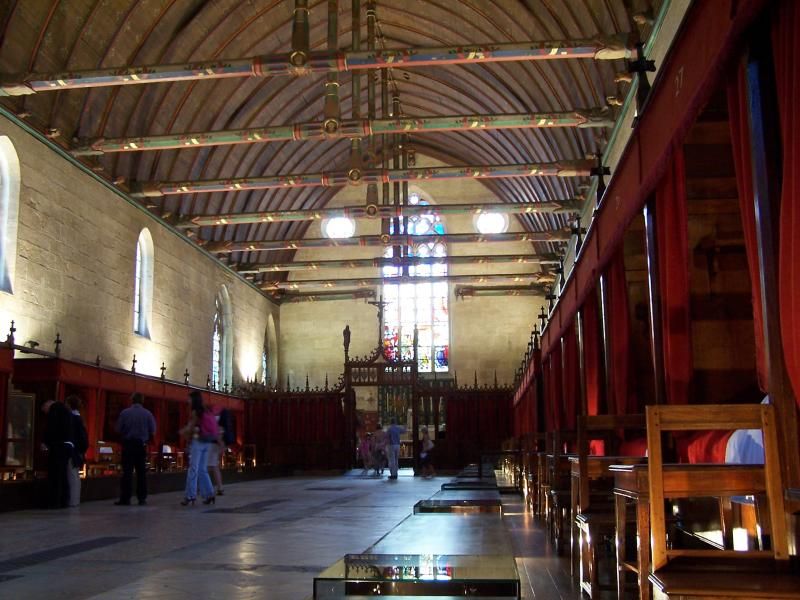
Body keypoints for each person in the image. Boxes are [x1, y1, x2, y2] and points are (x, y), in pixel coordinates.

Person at [115, 392, 156, 506]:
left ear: (132, 400)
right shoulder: (148, 414)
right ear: (142, 401)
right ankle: (141, 498)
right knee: (141, 472)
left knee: (127, 472)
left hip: (128, 445)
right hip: (140, 445)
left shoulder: (125, 413)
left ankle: (125, 498)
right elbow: (152, 430)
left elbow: (118, 428)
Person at [180, 391, 217, 506]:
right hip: (207, 442)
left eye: (189, 399)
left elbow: (191, 428)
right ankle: (210, 494)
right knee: (202, 469)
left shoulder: (196, 412)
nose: (188, 401)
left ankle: (190, 496)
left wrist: (182, 432)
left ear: (194, 400)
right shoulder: (206, 410)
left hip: (198, 442)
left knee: (193, 469)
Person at [41, 399, 73, 508]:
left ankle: (53, 501)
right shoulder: (66, 411)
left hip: (57, 447)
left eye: (44, 410)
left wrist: (45, 442)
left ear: (47, 405)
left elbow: (51, 429)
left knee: (55, 475)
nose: (45, 412)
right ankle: (64, 500)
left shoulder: (54, 411)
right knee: (63, 474)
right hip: (66, 447)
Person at [65, 395, 88, 507]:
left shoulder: (72, 419)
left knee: (72, 475)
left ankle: (73, 500)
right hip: (78, 450)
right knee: (75, 476)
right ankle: (75, 500)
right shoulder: (80, 418)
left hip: (73, 450)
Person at [206, 408, 227, 496]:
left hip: (211, 446)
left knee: (208, 467)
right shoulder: (219, 420)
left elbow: (217, 433)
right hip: (215, 446)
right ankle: (219, 487)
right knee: (214, 467)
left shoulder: (213, 419)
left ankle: (207, 487)